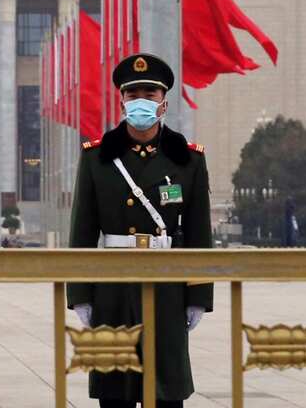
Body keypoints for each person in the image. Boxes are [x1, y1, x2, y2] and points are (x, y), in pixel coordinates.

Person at [66, 53, 213, 407]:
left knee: (166, 389)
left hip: (166, 286)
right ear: (122, 102)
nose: (141, 102)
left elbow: (199, 233)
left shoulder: (187, 159)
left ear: (164, 103)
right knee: (115, 389)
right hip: (114, 286)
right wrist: (81, 293)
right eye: (133, 95)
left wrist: (198, 296)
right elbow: (82, 231)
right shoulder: (97, 157)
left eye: (150, 94)